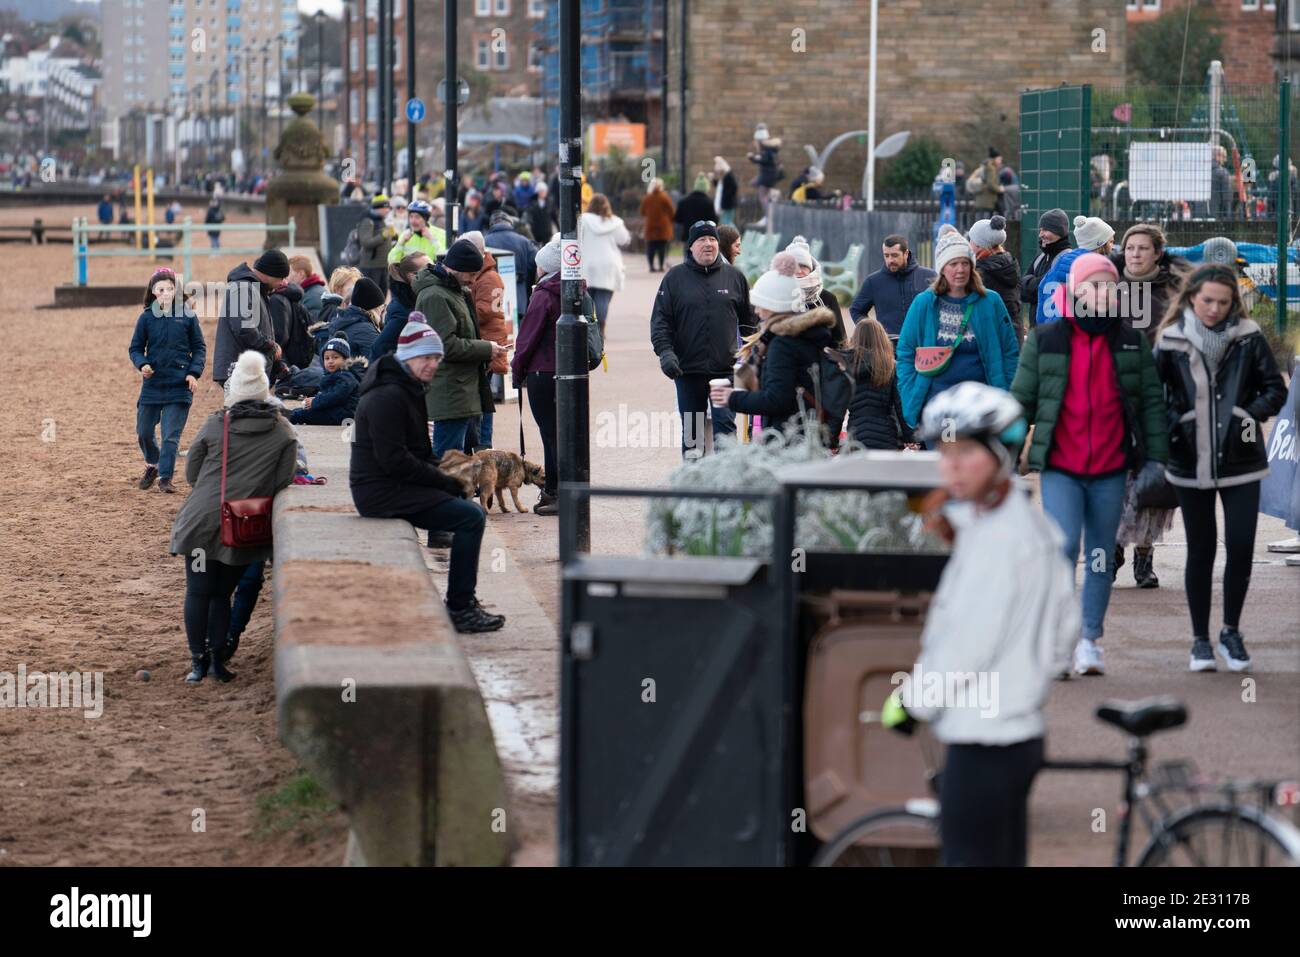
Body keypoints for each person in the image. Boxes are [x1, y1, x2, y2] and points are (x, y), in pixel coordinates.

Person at [883, 382, 1078, 867]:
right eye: (943, 451)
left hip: (982, 740)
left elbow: (964, 646)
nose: (950, 464)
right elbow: (1063, 638)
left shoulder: (995, 546)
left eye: (966, 451)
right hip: (1021, 733)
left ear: (1000, 455)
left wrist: (912, 702)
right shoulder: (1031, 527)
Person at [1011, 252, 1168, 677]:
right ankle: (1059, 641)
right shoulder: (1044, 340)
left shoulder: (1132, 342)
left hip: (1112, 469)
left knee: (1100, 554)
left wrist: (1156, 458)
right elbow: (1020, 402)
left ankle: (1088, 641)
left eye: (1108, 286)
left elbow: (1152, 402)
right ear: (1075, 290)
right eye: (1092, 285)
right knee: (1062, 550)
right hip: (1061, 467)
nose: (1101, 293)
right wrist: (1002, 453)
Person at [1153, 265, 1287, 673]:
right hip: (1189, 459)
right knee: (1201, 548)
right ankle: (1199, 641)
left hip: (1241, 459)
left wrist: (1247, 414)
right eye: (1207, 300)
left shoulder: (1248, 337)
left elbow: (1275, 388)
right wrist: (1177, 424)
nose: (1214, 309)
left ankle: (1231, 630)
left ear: (1234, 303)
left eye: (1223, 302)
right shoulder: (1169, 341)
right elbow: (1155, 397)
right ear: (1192, 296)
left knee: (1242, 544)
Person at [349, 320, 506, 633]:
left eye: (436, 358)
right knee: (471, 517)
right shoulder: (388, 396)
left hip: (391, 483)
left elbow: (419, 452)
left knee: (466, 508)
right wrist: (444, 481)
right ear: (407, 356)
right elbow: (395, 460)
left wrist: (452, 471)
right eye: (426, 358)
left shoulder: (409, 386)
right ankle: (461, 608)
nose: (433, 364)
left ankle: (463, 602)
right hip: (379, 492)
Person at [169, 351, 298, 682]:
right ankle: (217, 662)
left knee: (198, 591)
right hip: (240, 525)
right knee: (222, 594)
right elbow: (283, 480)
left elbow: (192, 473)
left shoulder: (216, 424)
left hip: (200, 523)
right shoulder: (283, 432)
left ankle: (197, 663)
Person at [1111, 223, 1190, 587]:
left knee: (1153, 477)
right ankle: (1112, 551)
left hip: (1158, 396)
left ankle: (1145, 556)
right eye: (1130, 248)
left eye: (1143, 248)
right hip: (1114, 395)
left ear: (1158, 253)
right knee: (1116, 477)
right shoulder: (1107, 285)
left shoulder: (1174, 289)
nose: (1136, 254)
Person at [896, 229, 1020, 433]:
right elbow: (905, 352)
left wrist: (1006, 390)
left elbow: (1009, 350)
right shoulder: (924, 304)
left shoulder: (991, 301)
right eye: (953, 264)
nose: (960, 270)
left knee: (979, 461)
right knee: (951, 458)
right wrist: (911, 392)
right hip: (941, 406)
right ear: (942, 268)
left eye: (965, 263)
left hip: (983, 404)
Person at [651, 220, 753, 458]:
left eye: (712, 240)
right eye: (701, 240)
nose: (708, 244)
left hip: (725, 370)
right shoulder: (674, 279)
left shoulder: (735, 277)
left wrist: (753, 357)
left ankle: (726, 488)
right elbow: (660, 322)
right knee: (694, 433)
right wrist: (666, 353)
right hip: (687, 371)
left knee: (725, 430)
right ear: (691, 247)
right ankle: (694, 486)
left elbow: (749, 323)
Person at [710, 252, 837, 438]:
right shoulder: (793, 334)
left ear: (774, 305)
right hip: (805, 431)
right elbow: (764, 370)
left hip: (787, 437)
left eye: (760, 304)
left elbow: (777, 399)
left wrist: (732, 398)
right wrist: (732, 383)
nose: (757, 311)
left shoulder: (783, 344)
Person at [512, 238, 595, 517]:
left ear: (545, 267)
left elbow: (527, 339)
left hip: (543, 372)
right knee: (569, 433)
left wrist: (517, 370)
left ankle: (558, 492)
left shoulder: (543, 294)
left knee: (551, 435)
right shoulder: (579, 292)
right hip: (574, 373)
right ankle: (567, 490)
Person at [413, 238, 508, 458]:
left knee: (456, 456)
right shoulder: (435, 296)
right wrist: (486, 349)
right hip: (450, 390)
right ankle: (445, 492)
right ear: (457, 269)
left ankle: (456, 492)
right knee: (448, 456)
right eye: (472, 274)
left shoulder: (454, 291)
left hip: (460, 388)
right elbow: (445, 345)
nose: (474, 281)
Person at [129, 268, 206, 495]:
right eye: (161, 289)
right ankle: (152, 464)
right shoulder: (145, 318)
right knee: (143, 431)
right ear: (153, 291)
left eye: (170, 289)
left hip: (180, 385)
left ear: (176, 291)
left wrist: (194, 373)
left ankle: (165, 478)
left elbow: (199, 348)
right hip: (152, 384)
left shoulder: (187, 317)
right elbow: (135, 348)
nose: (165, 293)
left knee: (170, 435)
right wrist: (142, 364)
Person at [459, 230, 510, 449]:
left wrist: (459, 308)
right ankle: (482, 442)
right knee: (483, 397)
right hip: (485, 340)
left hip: (486, 342)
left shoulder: (488, 277)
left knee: (483, 399)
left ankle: (483, 443)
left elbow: (484, 312)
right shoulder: (486, 275)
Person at [212, 250, 288, 388]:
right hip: (240, 371)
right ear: (269, 274)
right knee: (243, 410)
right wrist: (270, 346)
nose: (284, 282)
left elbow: (260, 329)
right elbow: (244, 328)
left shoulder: (255, 288)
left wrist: (275, 363)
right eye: (281, 277)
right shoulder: (242, 288)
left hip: (248, 369)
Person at [845, 316, 912, 450]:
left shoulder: (847, 367)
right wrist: (909, 437)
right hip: (886, 436)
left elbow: (838, 407)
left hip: (856, 435)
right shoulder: (890, 367)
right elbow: (900, 404)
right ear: (882, 339)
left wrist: (832, 439)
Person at [1035, 215, 1115, 326]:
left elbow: (1042, 293)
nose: (1113, 247)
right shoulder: (1095, 271)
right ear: (1100, 244)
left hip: (1052, 332)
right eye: (1110, 242)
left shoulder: (1058, 264)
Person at [849, 235, 936, 336]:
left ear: (906, 254)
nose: (890, 260)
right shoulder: (873, 282)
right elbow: (856, 310)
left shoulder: (929, 277)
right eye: (886, 256)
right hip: (889, 347)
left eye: (895, 255)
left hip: (922, 345)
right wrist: (873, 333)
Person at [580, 193, 632, 338]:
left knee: (588, 297)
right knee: (603, 298)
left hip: (588, 263)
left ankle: (589, 326)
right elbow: (624, 240)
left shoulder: (583, 220)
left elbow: (576, 238)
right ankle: (600, 328)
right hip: (609, 264)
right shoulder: (615, 222)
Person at [288, 337, 366, 426]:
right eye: (327, 358)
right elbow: (328, 394)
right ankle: (287, 414)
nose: (330, 361)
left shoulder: (346, 377)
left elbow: (335, 396)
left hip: (344, 414)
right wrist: (315, 399)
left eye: (335, 357)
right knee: (301, 411)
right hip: (335, 410)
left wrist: (315, 402)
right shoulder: (336, 374)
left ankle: (286, 418)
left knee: (304, 415)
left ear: (345, 360)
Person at [784, 235, 846, 345]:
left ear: (811, 268)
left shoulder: (828, 298)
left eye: (803, 266)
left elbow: (840, 339)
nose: (799, 271)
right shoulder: (778, 297)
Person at [968, 215, 1023, 337]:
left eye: (971, 240)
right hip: (1013, 329)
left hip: (992, 333)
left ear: (979, 245)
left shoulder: (982, 271)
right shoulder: (1011, 263)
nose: (969, 244)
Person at [370, 252, 429, 360]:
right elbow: (379, 347)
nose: (435, 269)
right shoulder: (403, 310)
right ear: (413, 276)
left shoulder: (413, 300)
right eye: (429, 268)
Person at [1019, 208, 1072, 323]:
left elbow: (1046, 290)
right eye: (1040, 229)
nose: (1040, 234)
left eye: (1046, 230)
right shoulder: (1040, 257)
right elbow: (1022, 291)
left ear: (1059, 232)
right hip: (1037, 330)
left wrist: (1032, 282)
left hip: (1054, 330)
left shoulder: (1066, 258)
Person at [485, 209, 538, 324]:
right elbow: (536, 264)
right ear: (510, 223)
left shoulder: (484, 242)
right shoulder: (524, 242)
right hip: (519, 301)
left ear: (492, 224)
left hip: (492, 300)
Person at [325, 275, 385, 359]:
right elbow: (380, 360)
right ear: (373, 309)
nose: (382, 312)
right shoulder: (365, 329)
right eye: (381, 308)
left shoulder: (342, 320)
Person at [387, 199, 447, 264]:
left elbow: (445, 259)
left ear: (426, 219)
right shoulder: (405, 235)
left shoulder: (441, 234)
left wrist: (432, 239)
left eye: (417, 217)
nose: (413, 221)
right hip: (410, 273)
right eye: (411, 217)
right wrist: (401, 243)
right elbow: (391, 261)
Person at [747, 123, 783, 227]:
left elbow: (764, 160)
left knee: (762, 195)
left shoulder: (766, 149)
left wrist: (752, 158)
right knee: (761, 190)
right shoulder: (770, 149)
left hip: (767, 174)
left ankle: (768, 217)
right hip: (769, 174)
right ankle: (774, 195)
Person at [356, 195, 394, 294]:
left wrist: (393, 237)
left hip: (383, 266)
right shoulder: (368, 221)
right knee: (371, 295)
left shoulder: (381, 220)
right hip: (371, 267)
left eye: (388, 208)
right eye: (384, 208)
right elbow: (366, 242)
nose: (387, 210)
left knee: (382, 294)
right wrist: (384, 235)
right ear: (377, 208)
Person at [639, 178, 675, 272]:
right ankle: (661, 266)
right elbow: (671, 211)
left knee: (651, 247)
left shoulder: (647, 197)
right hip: (663, 226)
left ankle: (651, 266)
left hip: (650, 225)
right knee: (662, 247)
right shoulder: (664, 196)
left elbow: (642, 211)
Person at [673, 175, 718, 243]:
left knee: (687, 253)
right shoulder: (708, 202)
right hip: (703, 236)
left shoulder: (684, 201)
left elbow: (677, 218)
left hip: (688, 235)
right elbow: (713, 220)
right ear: (706, 188)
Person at [289, 255, 327, 320]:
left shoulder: (313, 297)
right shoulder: (308, 291)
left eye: (288, 273)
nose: (285, 278)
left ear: (301, 274)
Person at [969, 147, 1005, 214]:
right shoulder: (991, 169)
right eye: (999, 159)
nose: (1000, 161)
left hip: (982, 200)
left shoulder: (985, 167)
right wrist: (1000, 189)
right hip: (988, 200)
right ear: (994, 159)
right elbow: (990, 184)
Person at [525, 181, 558, 245]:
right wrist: (528, 223)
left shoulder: (550, 202)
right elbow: (529, 214)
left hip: (547, 230)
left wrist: (558, 227)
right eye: (541, 191)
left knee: (546, 246)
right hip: (536, 230)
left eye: (544, 191)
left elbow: (554, 216)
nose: (543, 193)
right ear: (538, 192)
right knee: (536, 246)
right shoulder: (532, 202)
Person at [712, 155, 739, 225]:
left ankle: (736, 236)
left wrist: (723, 206)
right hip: (725, 205)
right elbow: (721, 189)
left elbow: (729, 191)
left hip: (727, 206)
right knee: (725, 223)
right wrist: (713, 180)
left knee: (727, 224)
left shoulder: (728, 177)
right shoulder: (725, 178)